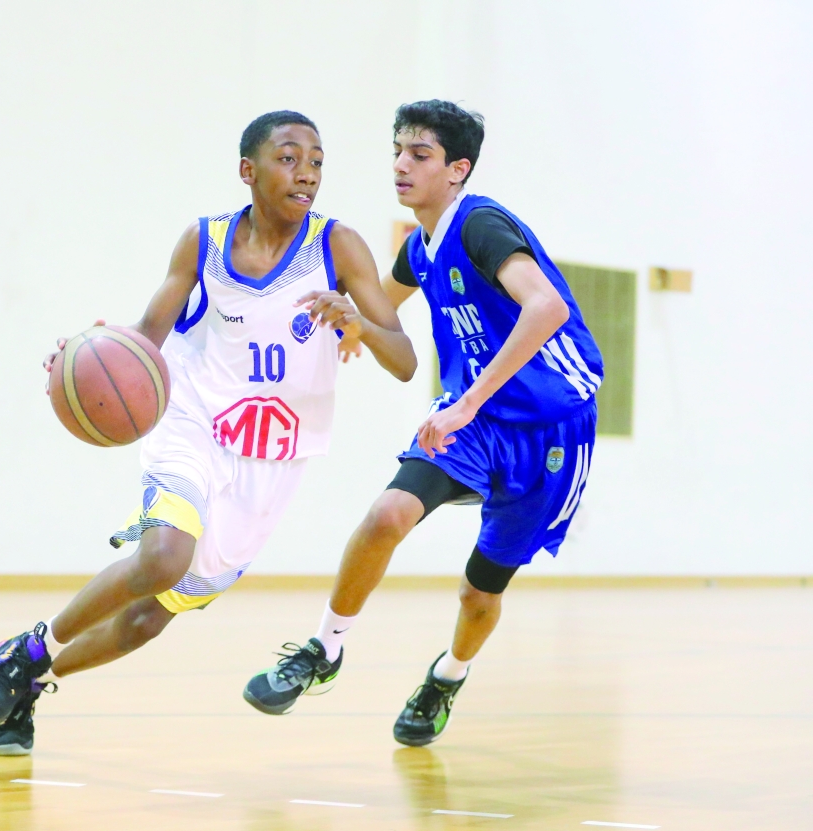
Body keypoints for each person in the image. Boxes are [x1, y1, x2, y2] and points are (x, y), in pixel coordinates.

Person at [0, 110, 417, 755]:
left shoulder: (339, 247)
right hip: (193, 421)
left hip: (273, 457)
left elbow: (406, 364)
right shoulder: (202, 241)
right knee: (162, 556)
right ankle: (25, 649)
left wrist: (361, 325)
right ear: (248, 170)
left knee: (151, 616)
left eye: (317, 161)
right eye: (289, 158)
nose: (307, 173)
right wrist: (87, 358)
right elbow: (148, 338)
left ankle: (31, 682)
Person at [243, 100, 603, 746]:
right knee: (387, 516)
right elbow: (382, 312)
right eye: (398, 151)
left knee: (477, 594)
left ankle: (448, 676)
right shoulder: (420, 248)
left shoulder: (482, 226)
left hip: (551, 428)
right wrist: (349, 321)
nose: (401, 165)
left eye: (420, 154)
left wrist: (465, 400)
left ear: (458, 170)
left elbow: (545, 307)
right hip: (475, 420)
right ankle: (323, 650)